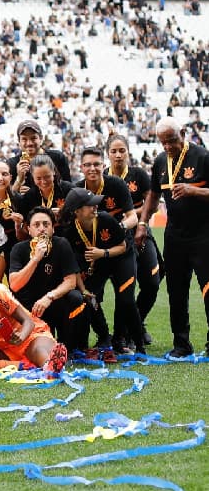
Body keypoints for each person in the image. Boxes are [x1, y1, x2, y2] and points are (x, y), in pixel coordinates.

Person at [136, 118, 209, 357]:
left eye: (172, 141)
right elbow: (153, 195)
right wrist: (143, 223)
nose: (168, 146)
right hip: (175, 236)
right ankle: (181, 344)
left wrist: (193, 190)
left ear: (183, 134)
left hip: (203, 235)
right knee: (176, 291)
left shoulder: (202, 156)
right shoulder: (160, 161)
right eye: (163, 142)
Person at [59, 188, 143, 355]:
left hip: (121, 257)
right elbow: (73, 266)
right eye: (90, 205)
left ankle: (137, 345)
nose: (95, 206)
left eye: (95, 203)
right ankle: (104, 337)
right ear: (77, 211)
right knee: (89, 298)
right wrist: (83, 289)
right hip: (98, 263)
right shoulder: (69, 231)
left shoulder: (105, 219)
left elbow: (123, 246)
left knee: (126, 300)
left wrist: (103, 253)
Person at [8, 206, 88, 353]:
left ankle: (68, 347)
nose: (42, 229)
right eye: (36, 225)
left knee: (76, 298)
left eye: (46, 224)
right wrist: (35, 259)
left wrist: (49, 297)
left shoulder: (62, 244)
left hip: (53, 301)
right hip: (30, 307)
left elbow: (71, 282)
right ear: (29, 229)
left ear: (53, 228)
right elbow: (14, 285)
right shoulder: (19, 249)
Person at [106, 134, 161, 345]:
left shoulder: (139, 175)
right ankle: (122, 335)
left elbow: (152, 204)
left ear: (128, 152)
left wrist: (131, 215)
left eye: (122, 150)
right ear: (108, 154)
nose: (118, 155)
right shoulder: (102, 177)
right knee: (124, 288)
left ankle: (135, 325)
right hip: (115, 240)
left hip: (140, 233)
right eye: (114, 151)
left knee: (152, 283)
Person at [8, 119, 72, 194]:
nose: (29, 143)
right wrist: (18, 183)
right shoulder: (12, 164)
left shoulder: (57, 157)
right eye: (24, 139)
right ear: (19, 141)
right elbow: (6, 197)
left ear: (41, 138)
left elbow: (69, 190)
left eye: (33, 138)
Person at [17, 154, 74, 219]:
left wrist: (64, 214)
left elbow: (80, 214)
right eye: (38, 178)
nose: (44, 182)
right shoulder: (29, 197)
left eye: (47, 177)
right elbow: (24, 221)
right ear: (32, 176)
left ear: (53, 172)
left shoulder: (69, 190)